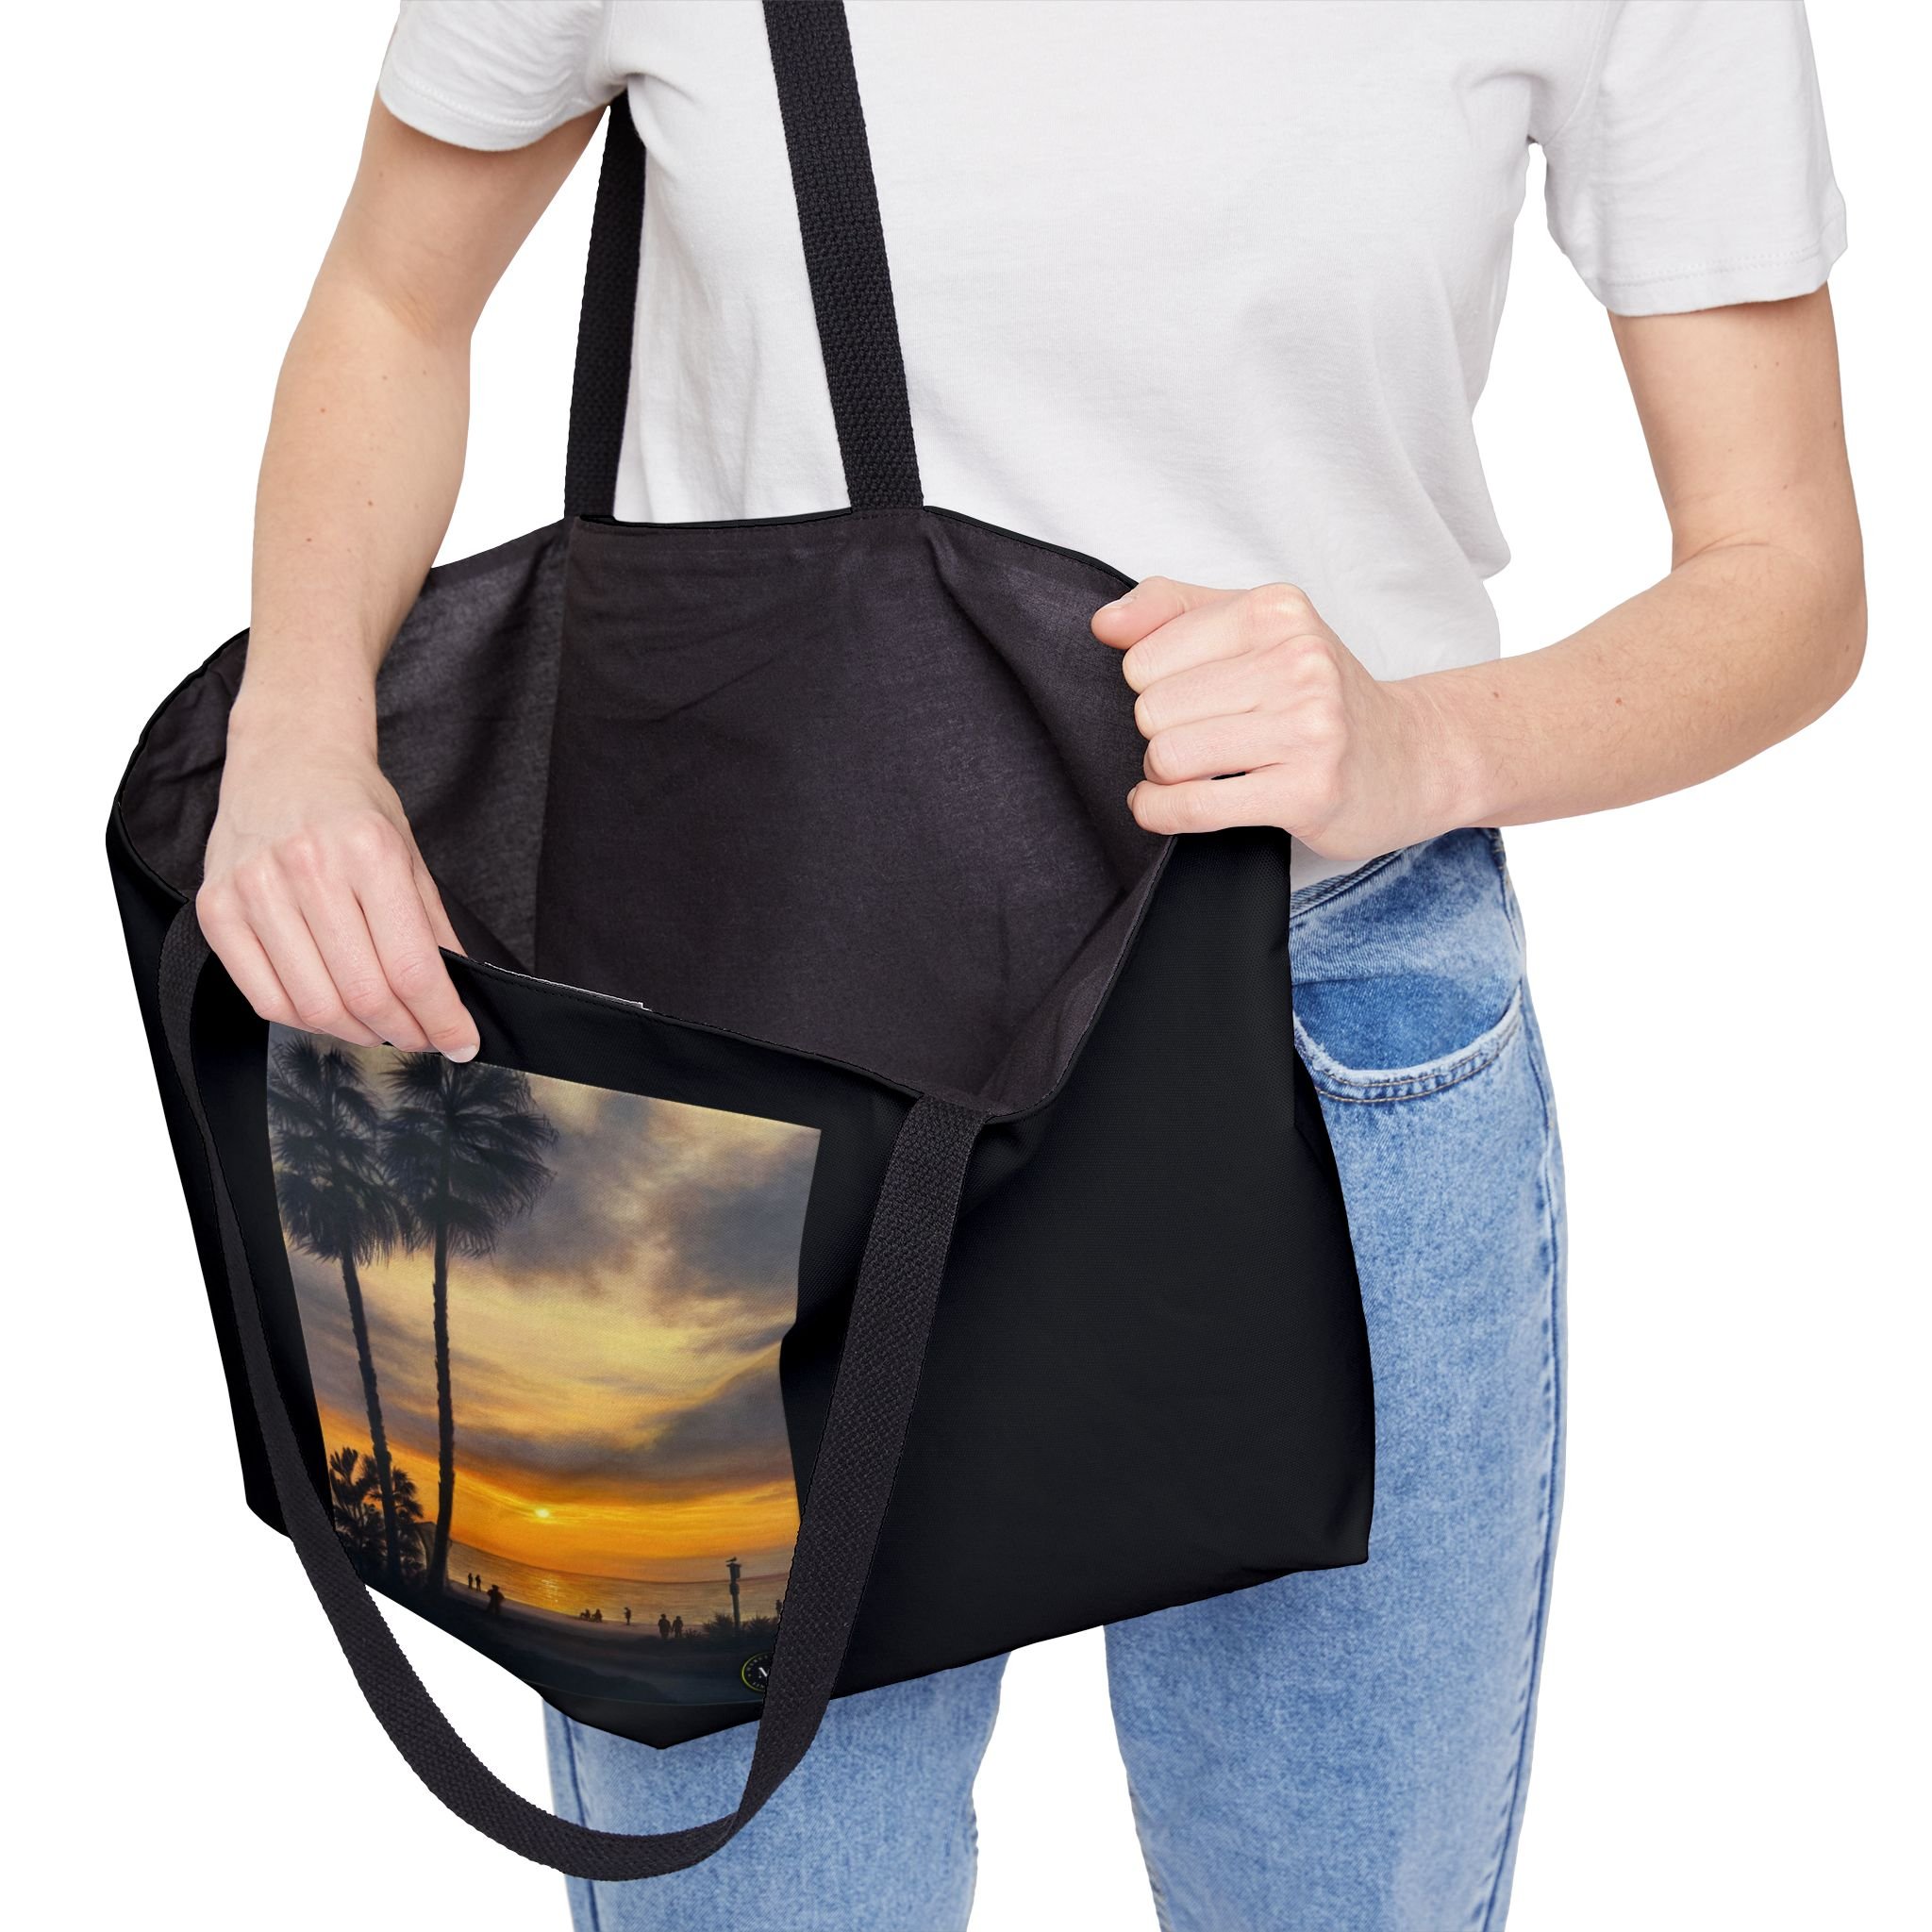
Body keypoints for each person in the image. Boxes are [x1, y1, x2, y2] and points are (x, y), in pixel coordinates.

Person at [196, 5, 1859, 1927]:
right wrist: (297, 730)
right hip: (743, 1042)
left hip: (1323, 1017)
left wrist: (1425, 744)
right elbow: (393, 301)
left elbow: (1786, 569)